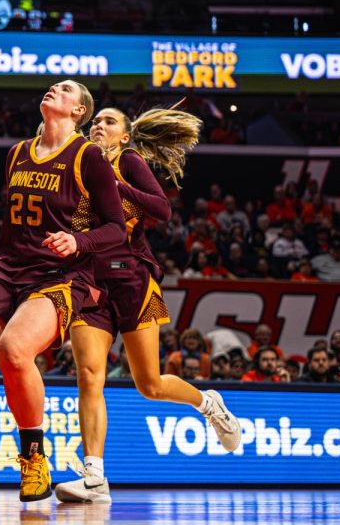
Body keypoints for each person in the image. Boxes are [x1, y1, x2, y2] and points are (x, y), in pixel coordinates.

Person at [0, 80, 127, 508]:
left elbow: (117, 226)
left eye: (66, 89)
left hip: (62, 274)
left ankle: (34, 458)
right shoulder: (17, 153)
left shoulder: (87, 156)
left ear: (79, 111)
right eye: (53, 86)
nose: (54, 89)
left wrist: (81, 242)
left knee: (14, 350)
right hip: (8, 269)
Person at [55, 106, 240, 504]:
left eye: (108, 122)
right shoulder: (76, 167)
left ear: (124, 136)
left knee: (150, 385)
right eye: (94, 122)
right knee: (88, 375)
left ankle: (211, 405)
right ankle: (95, 476)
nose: (97, 127)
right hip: (88, 281)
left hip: (131, 277)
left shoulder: (129, 161)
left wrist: (116, 185)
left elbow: (162, 208)